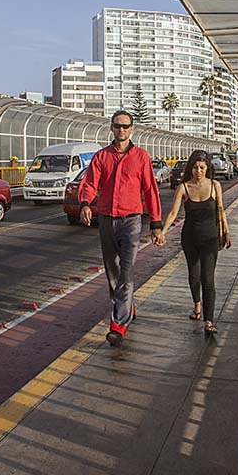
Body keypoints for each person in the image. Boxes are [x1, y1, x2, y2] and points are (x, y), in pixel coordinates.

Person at [78, 111, 165, 347]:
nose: (122, 130)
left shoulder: (141, 157)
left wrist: (156, 224)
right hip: (106, 219)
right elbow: (89, 183)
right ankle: (127, 306)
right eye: (117, 126)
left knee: (126, 272)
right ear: (111, 128)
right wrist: (86, 203)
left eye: (126, 126)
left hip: (132, 221)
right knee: (112, 271)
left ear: (132, 129)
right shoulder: (101, 157)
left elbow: (150, 191)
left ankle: (118, 324)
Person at [159, 150, 230, 335]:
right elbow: (173, 213)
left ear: (208, 168)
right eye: (195, 167)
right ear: (190, 168)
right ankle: (197, 306)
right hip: (189, 238)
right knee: (194, 275)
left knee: (208, 278)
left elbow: (221, 210)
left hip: (210, 239)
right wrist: (163, 232)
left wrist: (226, 232)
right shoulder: (183, 187)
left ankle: (209, 320)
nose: (198, 171)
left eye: (202, 167)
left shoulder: (215, 186)